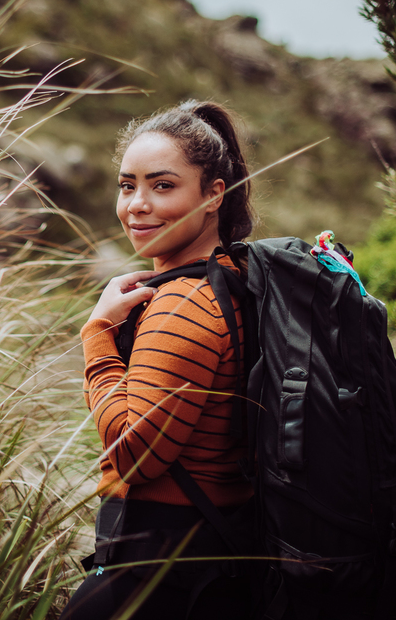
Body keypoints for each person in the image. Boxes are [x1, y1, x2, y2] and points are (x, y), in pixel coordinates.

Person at [62, 100, 256, 620]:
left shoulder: (184, 303)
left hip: (160, 568)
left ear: (213, 194)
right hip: (212, 561)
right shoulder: (234, 277)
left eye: (163, 186)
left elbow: (135, 455)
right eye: (127, 186)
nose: (137, 205)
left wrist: (98, 334)